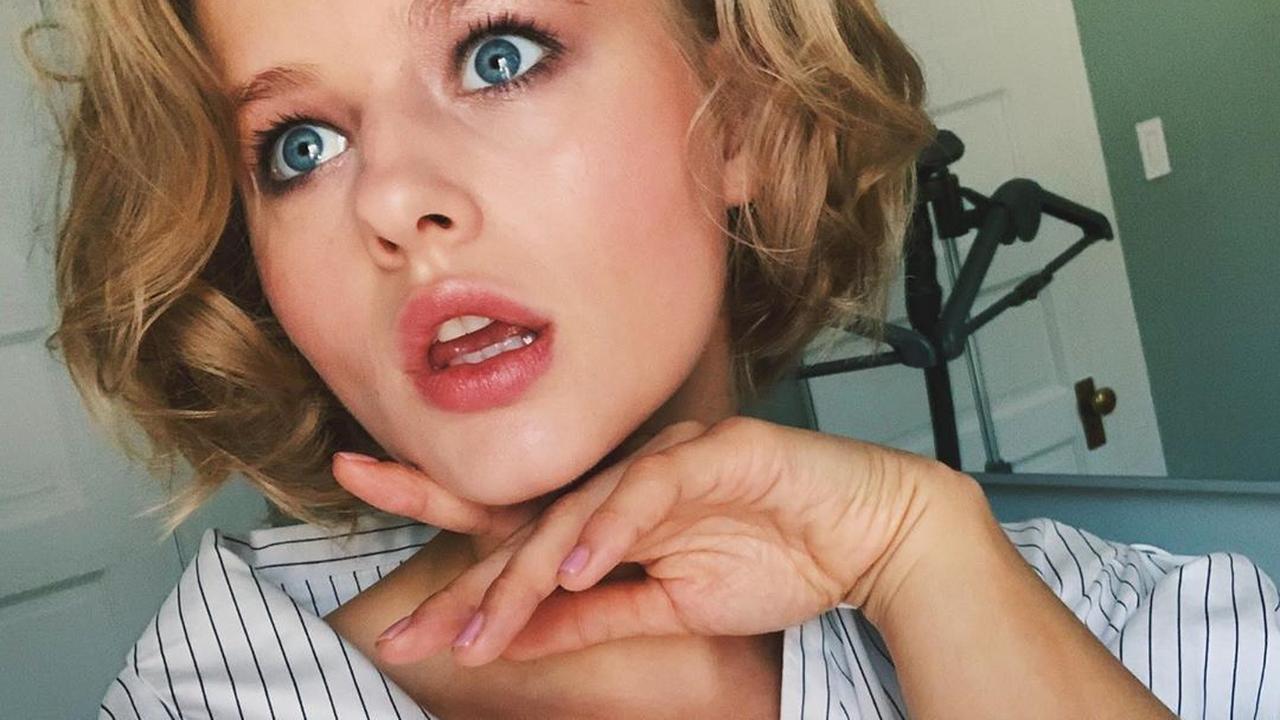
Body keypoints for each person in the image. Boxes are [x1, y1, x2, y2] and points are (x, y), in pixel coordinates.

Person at [29, 0, 1276, 717]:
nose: (392, 200)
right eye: (298, 146)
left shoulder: (1159, 636)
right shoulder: (214, 695)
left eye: (497, 54)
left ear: (744, 119)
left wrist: (923, 557)